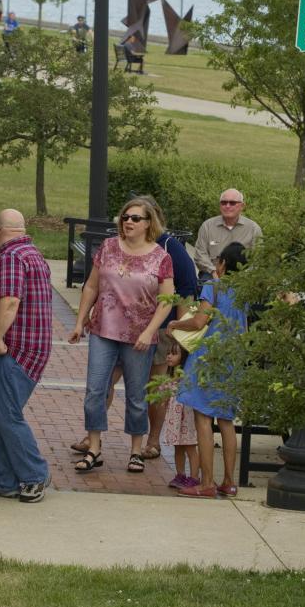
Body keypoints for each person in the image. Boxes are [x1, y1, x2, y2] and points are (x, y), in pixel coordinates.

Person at [70, 196, 199, 459]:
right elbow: (92, 285)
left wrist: (168, 330)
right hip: (104, 330)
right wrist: (80, 319)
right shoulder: (108, 247)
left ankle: (143, 446)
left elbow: (178, 294)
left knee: (143, 392)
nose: (128, 221)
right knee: (97, 387)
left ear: (150, 222)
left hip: (147, 333)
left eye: (135, 218)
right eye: (125, 217)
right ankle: (93, 443)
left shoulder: (166, 253)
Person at [0, 209, 53, 504]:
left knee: (6, 416)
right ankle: (3, 480)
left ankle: (34, 475)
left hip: (16, 351)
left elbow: (11, 300)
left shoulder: (12, 258)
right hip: (26, 349)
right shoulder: (30, 253)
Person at [171, 241, 250, 499]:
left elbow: (199, 321)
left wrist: (174, 324)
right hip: (234, 359)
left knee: (203, 417)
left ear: (223, 264)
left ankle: (206, 482)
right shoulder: (245, 292)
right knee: (226, 422)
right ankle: (229, 481)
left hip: (209, 358)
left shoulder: (212, 287)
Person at [156, 339, 199, 490]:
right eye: (168, 353)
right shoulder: (169, 377)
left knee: (190, 447)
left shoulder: (186, 377)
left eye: (174, 354)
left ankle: (194, 477)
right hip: (174, 419)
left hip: (186, 419)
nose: (169, 356)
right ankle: (180, 474)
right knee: (178, 447)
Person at [192, 188, 262, 278]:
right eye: (223, 202)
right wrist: (213, 272)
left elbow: (258, 260)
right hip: (212, 273)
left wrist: (242, 276)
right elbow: (200, 255)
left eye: (232, 203)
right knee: (207, 285)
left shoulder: (253, 229)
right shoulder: (207, 226)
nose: (227, 206)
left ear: (242, 206)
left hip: (243, 277)